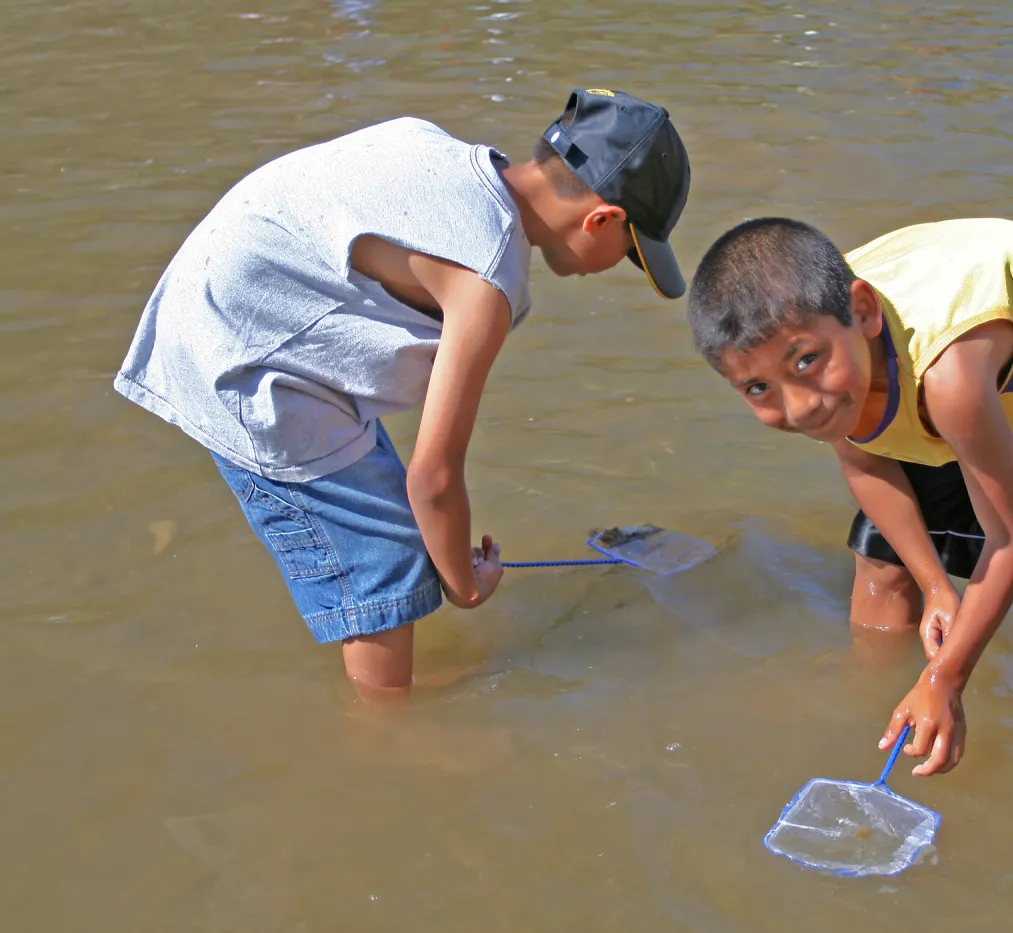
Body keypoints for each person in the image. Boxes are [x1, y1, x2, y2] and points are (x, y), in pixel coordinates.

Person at [114, 88, 690, 694]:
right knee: (387, 568)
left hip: (210, 302)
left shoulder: (434, 148)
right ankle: (387, 728)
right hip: (240, 361)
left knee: (401, 527)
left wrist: (445, 545)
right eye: (630, 253)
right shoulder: (487, 278)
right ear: (603, 220)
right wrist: (466, 588)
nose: (616, 266)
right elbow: (433, 479)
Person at [686, 217, 1013, 774]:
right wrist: (937, 587)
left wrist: (945, 678)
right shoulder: (825, 344)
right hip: (962, 367)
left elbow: (1012, 537)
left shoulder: (946, 380)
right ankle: (870, 727)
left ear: (863, 312)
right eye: (758, 388)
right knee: (884, 566)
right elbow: (865, 459)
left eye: (806, 361)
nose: (800, 407)